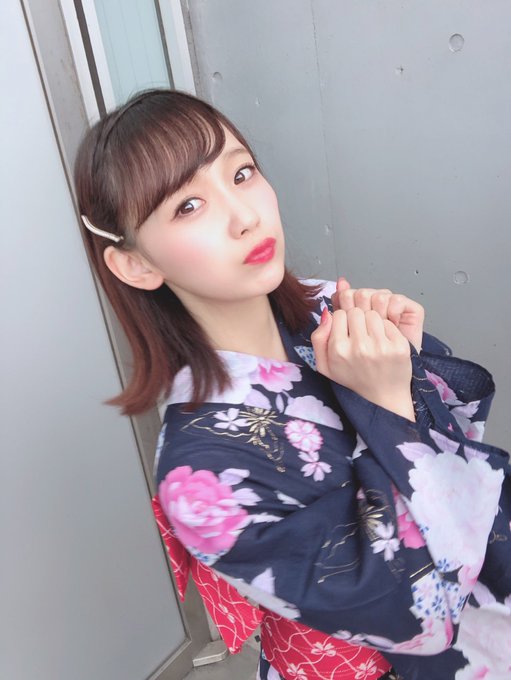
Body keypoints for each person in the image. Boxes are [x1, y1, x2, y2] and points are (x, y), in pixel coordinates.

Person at [74, 89, 511, 680]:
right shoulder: (199, 472)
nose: (245, 215)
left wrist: (405, 365)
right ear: (136, 263)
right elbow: (414, 611)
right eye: (189, 206)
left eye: (242, 173)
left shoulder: (324, 309)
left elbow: (467, 454)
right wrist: (387, 405)